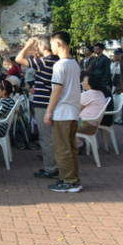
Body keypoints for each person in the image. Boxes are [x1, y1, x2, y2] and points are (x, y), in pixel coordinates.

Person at [15, 36, 60, 179]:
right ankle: (56, 165)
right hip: (54, 103)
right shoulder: (57, 61)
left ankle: (51, 168)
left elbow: (18, 59)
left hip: (43, 104)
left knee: (46, 138)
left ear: (44, 47)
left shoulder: (44, 62)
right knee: (53, 137)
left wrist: (28, 44)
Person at [44, 31, 82, 193]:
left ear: (58, 44)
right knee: (70, 148)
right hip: (73, 111)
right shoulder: (74, 64)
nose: (51, 46)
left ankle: (69, 180)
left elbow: (56, 90)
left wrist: (48, 111)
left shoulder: (60, 65)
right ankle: (72, 178)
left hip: (62, 112)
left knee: (62, 148)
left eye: (52, 43)